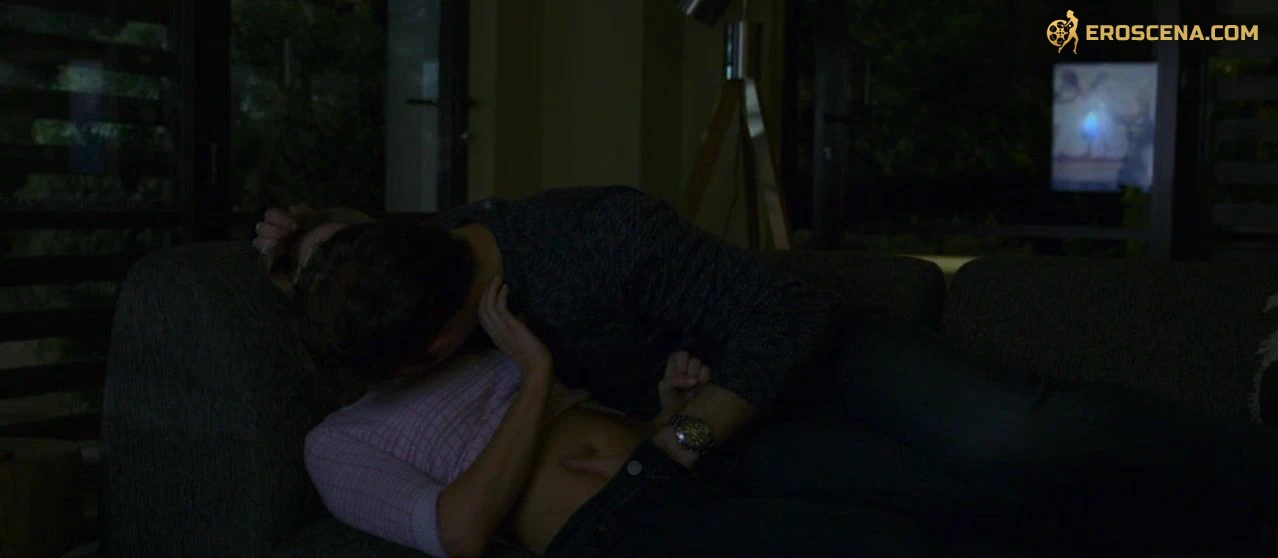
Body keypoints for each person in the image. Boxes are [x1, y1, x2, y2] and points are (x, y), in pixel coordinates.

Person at [256, 186, 1278, 557]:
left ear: (445, 331)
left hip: (815, 358)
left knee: (1015, 436)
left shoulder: (591, 240)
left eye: (414, 361)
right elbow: (352, 280)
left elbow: (784, 316)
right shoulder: (415, 271)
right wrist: (287, 242)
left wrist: (680, 436)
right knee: (947, 513)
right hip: (728, 436)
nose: (409, 378)